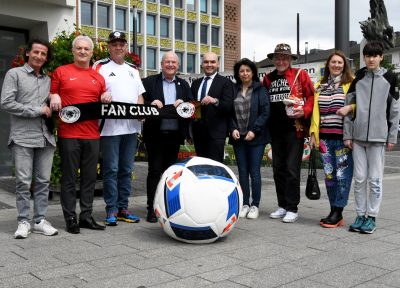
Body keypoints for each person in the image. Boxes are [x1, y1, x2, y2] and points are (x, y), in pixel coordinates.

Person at [49, 35, 112, 234]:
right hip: (69, 134)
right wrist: (54, 94)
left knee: (89, 178)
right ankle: (70, 218)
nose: (83, 51)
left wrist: (106, 96)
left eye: (86, 49)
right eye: (79, 48)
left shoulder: (99, 78)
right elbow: (51, 93)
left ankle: (85, 216)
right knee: (69, 178)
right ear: (73, 51)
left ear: (92, 52)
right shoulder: (61, 71)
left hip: (92, 135)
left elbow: (103, 100)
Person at [1, 39, 58, 239]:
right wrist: (37, 110)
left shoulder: (48, 80)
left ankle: (40, 220)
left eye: (43, 54)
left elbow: (55, 99)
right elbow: (6, 103)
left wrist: (54, 96)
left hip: (45, 138)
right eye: (36, 52)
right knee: (24, 182)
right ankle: (23, 221)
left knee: (43, 182)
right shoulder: (14, 74)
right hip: (23, 136)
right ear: (27, 53)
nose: (39, 56)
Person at [343, 41, 399, 234]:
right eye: (368, 55)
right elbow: (349, 107)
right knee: (359, 179)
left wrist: (392, 136)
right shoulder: (358, 78)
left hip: (378, 138)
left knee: (374, 180)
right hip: (357, 138)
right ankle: (360, 215)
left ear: (381, 57)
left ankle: (372, 217)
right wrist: (347, 135)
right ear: (364, 57)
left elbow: (395, 110)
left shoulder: (390, 78)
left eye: (375, 55)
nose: (371, 59)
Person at [92, 31, 145, 226]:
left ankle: (123, 208)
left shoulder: (133, 69)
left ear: (126, 47)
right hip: (109, 129)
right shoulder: (100, 66)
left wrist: (141, 108)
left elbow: (140, 95)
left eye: (121, 43)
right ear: (109, 46)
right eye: (114, 44)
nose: (118, 47)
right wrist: (101, 95)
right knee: (111, 169)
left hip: (131, 128)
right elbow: (92, 91)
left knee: (126, 169)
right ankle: (111, 209)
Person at [262, 43, 314, 223]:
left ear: (290, 59)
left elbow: (311, 96)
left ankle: (292, 207)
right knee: (278, 170)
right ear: (273, 60)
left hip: (294, 130)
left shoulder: (301, 75)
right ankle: (282, 205)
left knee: (292, 169)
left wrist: (305, 111)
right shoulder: (268, 79)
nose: (281, 61)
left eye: (285, 58)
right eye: (278, 58)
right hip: (275, 130)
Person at [142, 51, 193, 223]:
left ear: (178, 65)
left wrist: (184, 104)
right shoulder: (149, 82)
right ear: (161, 64)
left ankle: (166, 206)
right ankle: (151, 208)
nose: (170, 65)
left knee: (170, 174)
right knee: (155, 171)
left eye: (173, 62)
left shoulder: (184, 85)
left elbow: (192, 108)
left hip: (174, 136)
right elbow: (140, 104)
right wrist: (151, 104)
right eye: (167, 62)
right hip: (155, 135)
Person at [309, 50, 355, 228]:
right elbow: (315, 112)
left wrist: (350, 107)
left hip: (343, 138)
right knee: (329, 176)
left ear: (344, 66)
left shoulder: (351, 84)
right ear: (328, 65)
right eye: (333, 62)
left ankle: (338, 211)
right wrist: (313, 134)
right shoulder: (320, 85)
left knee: (343, 176)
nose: (336, 65)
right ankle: (333, 210)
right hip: (324, 140)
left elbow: (360, 104)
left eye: (340, 63)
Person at [230, 58, 270, 219]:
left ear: (253, 72)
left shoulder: (260, 89)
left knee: (254, 172)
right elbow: (228, 111)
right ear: (237, 74)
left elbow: (265, 112)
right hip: (238, 137)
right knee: (242, 171)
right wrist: (232, 128)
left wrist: (254, 130)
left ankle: (255, 205)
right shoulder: (233, 89)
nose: (245, 73)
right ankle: (245, 203)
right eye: (241, 71)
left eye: (248, 70)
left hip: (256, 137)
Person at [190, 52, 234, 162]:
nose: (209, 64)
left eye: (212, 62)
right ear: (202, 64)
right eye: (206, 62)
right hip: (198, 134)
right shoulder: (195, 84)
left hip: (216, 134)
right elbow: (191, 107)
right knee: (201, 167)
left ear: (218, 64)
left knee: (215, 168)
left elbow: (229, 106)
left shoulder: (226, 83)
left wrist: (214, 101)